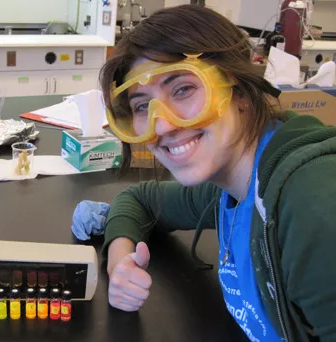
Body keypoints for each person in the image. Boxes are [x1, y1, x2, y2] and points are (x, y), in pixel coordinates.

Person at [99, 5, 336, 342]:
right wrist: (120, 263)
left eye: (182, 89)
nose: (162, 124)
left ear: (239, 88)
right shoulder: (229, 183)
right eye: (141, 106)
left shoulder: (311, 205)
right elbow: (139, 199)